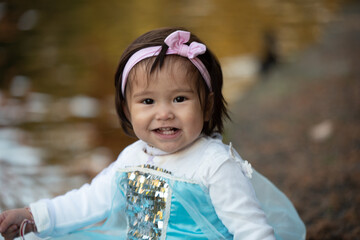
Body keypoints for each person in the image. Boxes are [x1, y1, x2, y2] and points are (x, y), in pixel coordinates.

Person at [0, 27, 305, 240]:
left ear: (207, 105)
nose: (164, 113)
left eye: (179, 99)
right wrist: (33, 215)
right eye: (148, 101)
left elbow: (251, 229)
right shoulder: (131, 158)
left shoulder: (214, 165)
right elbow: (89, 201)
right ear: (126, 108)